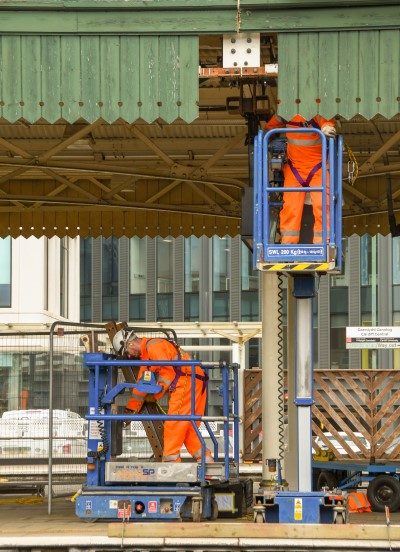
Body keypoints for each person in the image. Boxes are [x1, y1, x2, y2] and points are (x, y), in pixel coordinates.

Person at [113, 330, 213, 463]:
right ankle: (208, 464)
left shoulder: (154, 347)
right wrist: (131, 409)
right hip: (192, 381)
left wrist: (155, 396)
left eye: (126, 352)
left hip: (186, 382)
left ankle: (170, 464)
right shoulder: (148, 354)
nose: (129, 356)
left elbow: (168, 375)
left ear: (130, 343)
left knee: (174, 423)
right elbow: (140, 385)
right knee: (188, 428)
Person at [265, 113, 336, 244]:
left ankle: (323, 245)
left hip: (317, 167)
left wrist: (327, 127)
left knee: (323, 205)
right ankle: (287, 246)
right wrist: (265, 134)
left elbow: (328, 122)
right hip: (295, 168)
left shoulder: (318, 109)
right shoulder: (285, 111)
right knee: (291, 208)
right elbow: (269, 127)